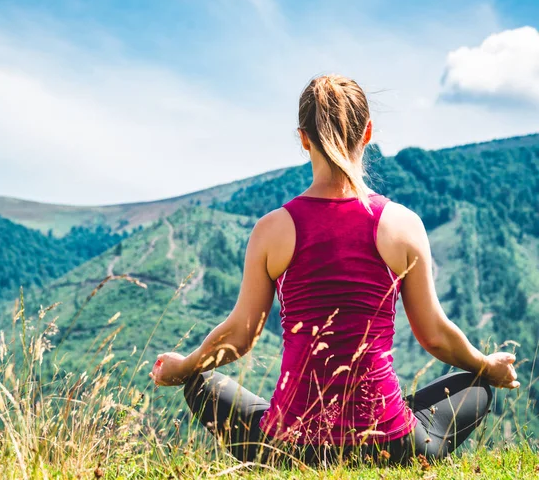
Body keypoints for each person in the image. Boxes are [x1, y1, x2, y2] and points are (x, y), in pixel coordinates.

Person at [149, 74, 520, 466]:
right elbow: (436, 338)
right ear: (368, 133)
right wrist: (486, 366)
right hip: (391, 447)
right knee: (476, 387)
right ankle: (389, 417)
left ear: (304, 138)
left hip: (290, 449)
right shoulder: (402, 224)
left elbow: (239, 337)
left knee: (200, 383)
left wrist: (183, 367)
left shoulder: (272, 230)